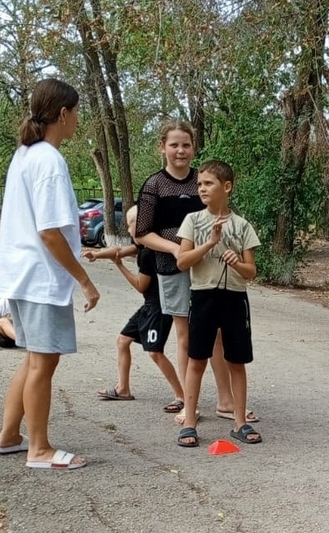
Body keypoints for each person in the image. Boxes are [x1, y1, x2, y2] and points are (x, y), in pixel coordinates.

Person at [0, 78, 99, 470]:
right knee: (43, 363)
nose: (78, 119)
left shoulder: (26, 153)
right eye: (77, 112)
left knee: (35, 359)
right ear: (63, 114)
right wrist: (84, 280)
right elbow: (50, 232)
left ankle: (9, 437)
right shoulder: (49, 160)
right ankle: (39, 449)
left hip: (22, 275)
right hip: (40, 278)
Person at [134, 121, 258, 425]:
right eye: (174, 145)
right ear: (162, 147)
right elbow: (142, 233)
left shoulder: (203, 178)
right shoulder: (154, 184)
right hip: (173, 266)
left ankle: (226, 401)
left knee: (217, 336)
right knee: (186, 337)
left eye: (186, 145)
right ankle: (187, 402)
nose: (180, 151)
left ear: (193, 148)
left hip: (210, 268)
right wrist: (175, 249)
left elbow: (223, 218)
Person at [175, 160, 261, 447]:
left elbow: (251, 272)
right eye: (199, 184)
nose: (202, 188)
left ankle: (239, 422)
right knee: (197, 359)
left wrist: (237, 263)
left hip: (235, 298)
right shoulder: (193, 221)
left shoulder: (242, 226)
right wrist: (210, 243)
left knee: (236, 360)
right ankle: (189, 423)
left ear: (227, 187)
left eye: (208, 183)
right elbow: (182, 261)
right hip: (203, 296)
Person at [83, 206, 186, 413]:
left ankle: (182, 396)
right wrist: (97, 254)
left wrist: (119, 266)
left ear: (140, 227)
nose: (128, 230)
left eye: (130, 226)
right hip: (149, 306)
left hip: (159, 308)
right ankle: (123, 389)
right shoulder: (145, 246)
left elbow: (141, 286)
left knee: (155, 352)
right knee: (123, 340)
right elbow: (119, 251)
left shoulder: (148, 254)